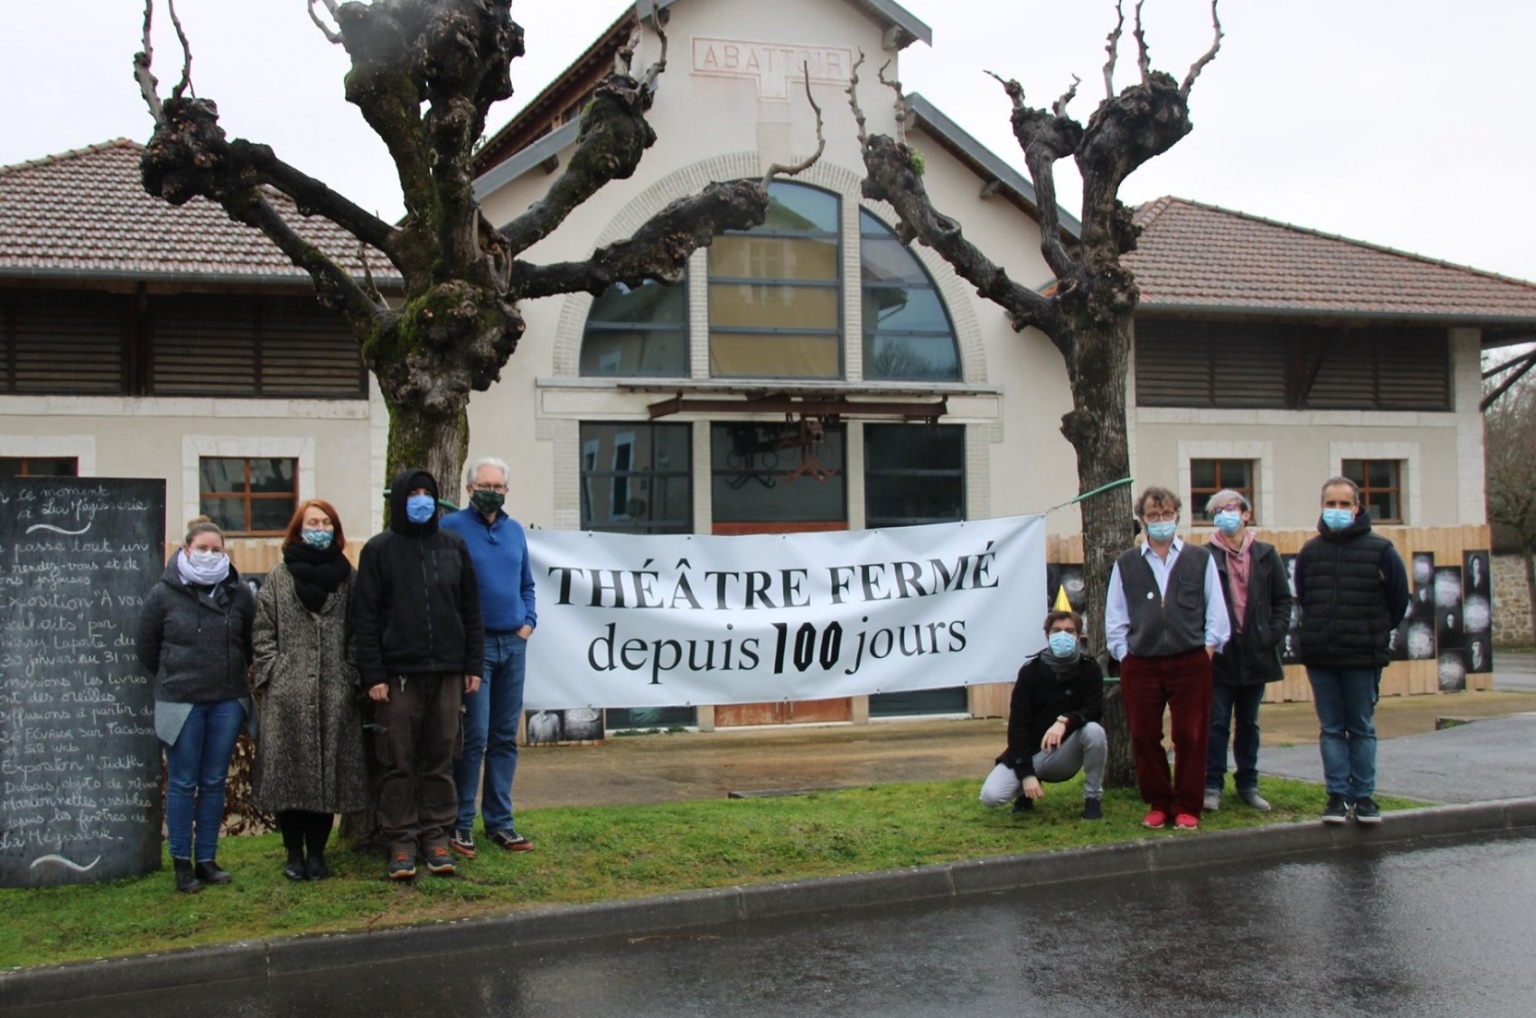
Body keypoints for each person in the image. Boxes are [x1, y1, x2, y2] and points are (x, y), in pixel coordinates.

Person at [354, 469, 484, 880]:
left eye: (428, 493)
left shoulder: (454, 546)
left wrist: (472, 665)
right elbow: (366, 618)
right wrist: (373, 674)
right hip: (397, 677)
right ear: (400, 500)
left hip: (447, 673)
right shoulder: (379, 550)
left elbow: (471, 611)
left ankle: (436, 839)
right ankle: (401, 843)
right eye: (415, 493)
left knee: (441, 758)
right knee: (398, 762)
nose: (422, 500)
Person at [251, 499, 370, 881]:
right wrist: (273, 671)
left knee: (328, 776)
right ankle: (293, 855)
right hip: (287, 695)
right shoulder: (280, 577)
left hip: (335, 691)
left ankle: (317, 854)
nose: (319, 528)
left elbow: (357, 631)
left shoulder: (348, 578)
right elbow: (262, 631)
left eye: (325, 523)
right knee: (290, 776)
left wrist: (350, 673)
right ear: (298, 529)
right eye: (312, 522)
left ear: (335, 530)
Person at [136, 518, 256, 894]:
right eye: (202, 548)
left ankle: (207, 859)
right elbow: (146, 646)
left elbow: (250, 642)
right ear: (186, 549)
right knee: (183, 783)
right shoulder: (163, 593)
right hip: (181, 703)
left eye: (216, 549)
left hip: (226, 700)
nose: (209, 555)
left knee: (214, 781)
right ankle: (182, 865)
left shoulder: (239, 594)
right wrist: (176, 676)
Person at [1106, 486, 1230, 831]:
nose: (1160, 521)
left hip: (1190, 660)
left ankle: (1188, 804)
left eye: (1166, 514)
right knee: (1144, 735)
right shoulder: (1127, 563)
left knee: (1190, 734)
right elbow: (1115, 615)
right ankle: (1159, 802)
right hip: (1141, 662)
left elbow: (1216, 610)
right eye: (1153, 515)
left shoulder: (1198, 558)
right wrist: (1125, 654)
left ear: (1177, 515)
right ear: (1142, 519)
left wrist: (1207, 648)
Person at [1294, 476, 1410, 824]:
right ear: (1322, 506)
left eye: (1345, 504)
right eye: (1331, 504)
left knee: (1360, 727)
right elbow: (1304, 595)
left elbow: (1398, 601)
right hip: (1322, 656)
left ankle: (1364, 797)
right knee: (1331, 728)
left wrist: (1372, 632)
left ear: (1358, 508)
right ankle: (1337, 797)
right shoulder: (1310, 553)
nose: (1337, 510)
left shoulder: (1382, 550)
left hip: (1362, 656)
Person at [440, 456, 538, 857]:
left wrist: (528, 622)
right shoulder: (450, 530)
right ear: (468, 489)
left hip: (513, 646)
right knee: (473, 739)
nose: (492, 492)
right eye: (485, 485)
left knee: (504, 738)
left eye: (499, 487)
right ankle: (460, 824)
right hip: (474, 651)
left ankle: (500, 823)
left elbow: (527, 584)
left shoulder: (515, 532)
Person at [1201, 489, 1293, 813]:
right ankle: (1211, 784)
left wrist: (1271, 636)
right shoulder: (1205, 555)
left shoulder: (1267, 554)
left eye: (1230, 508)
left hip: (1256, 653)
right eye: (1217, 511)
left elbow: (1283, 601)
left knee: (1249, 723)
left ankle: (1248, 784)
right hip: (1221, 656)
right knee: (1216, 723)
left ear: (1245, 514)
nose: (1225, 514)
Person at [979, 610, 1107, 820]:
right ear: (1048, 635)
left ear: (1077, 636)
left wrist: (1065, 721)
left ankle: (1092, 798)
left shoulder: (1089, 669)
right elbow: (1018, 726)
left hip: (1066, 751)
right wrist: (1027, 773)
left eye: (1069, 631)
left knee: (1094, 731)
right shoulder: (1030, 672)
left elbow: (1093, 709)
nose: (1063, 635)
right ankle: (1027, 790)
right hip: (1031, 752)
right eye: (1057, 631)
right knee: (990, 797)